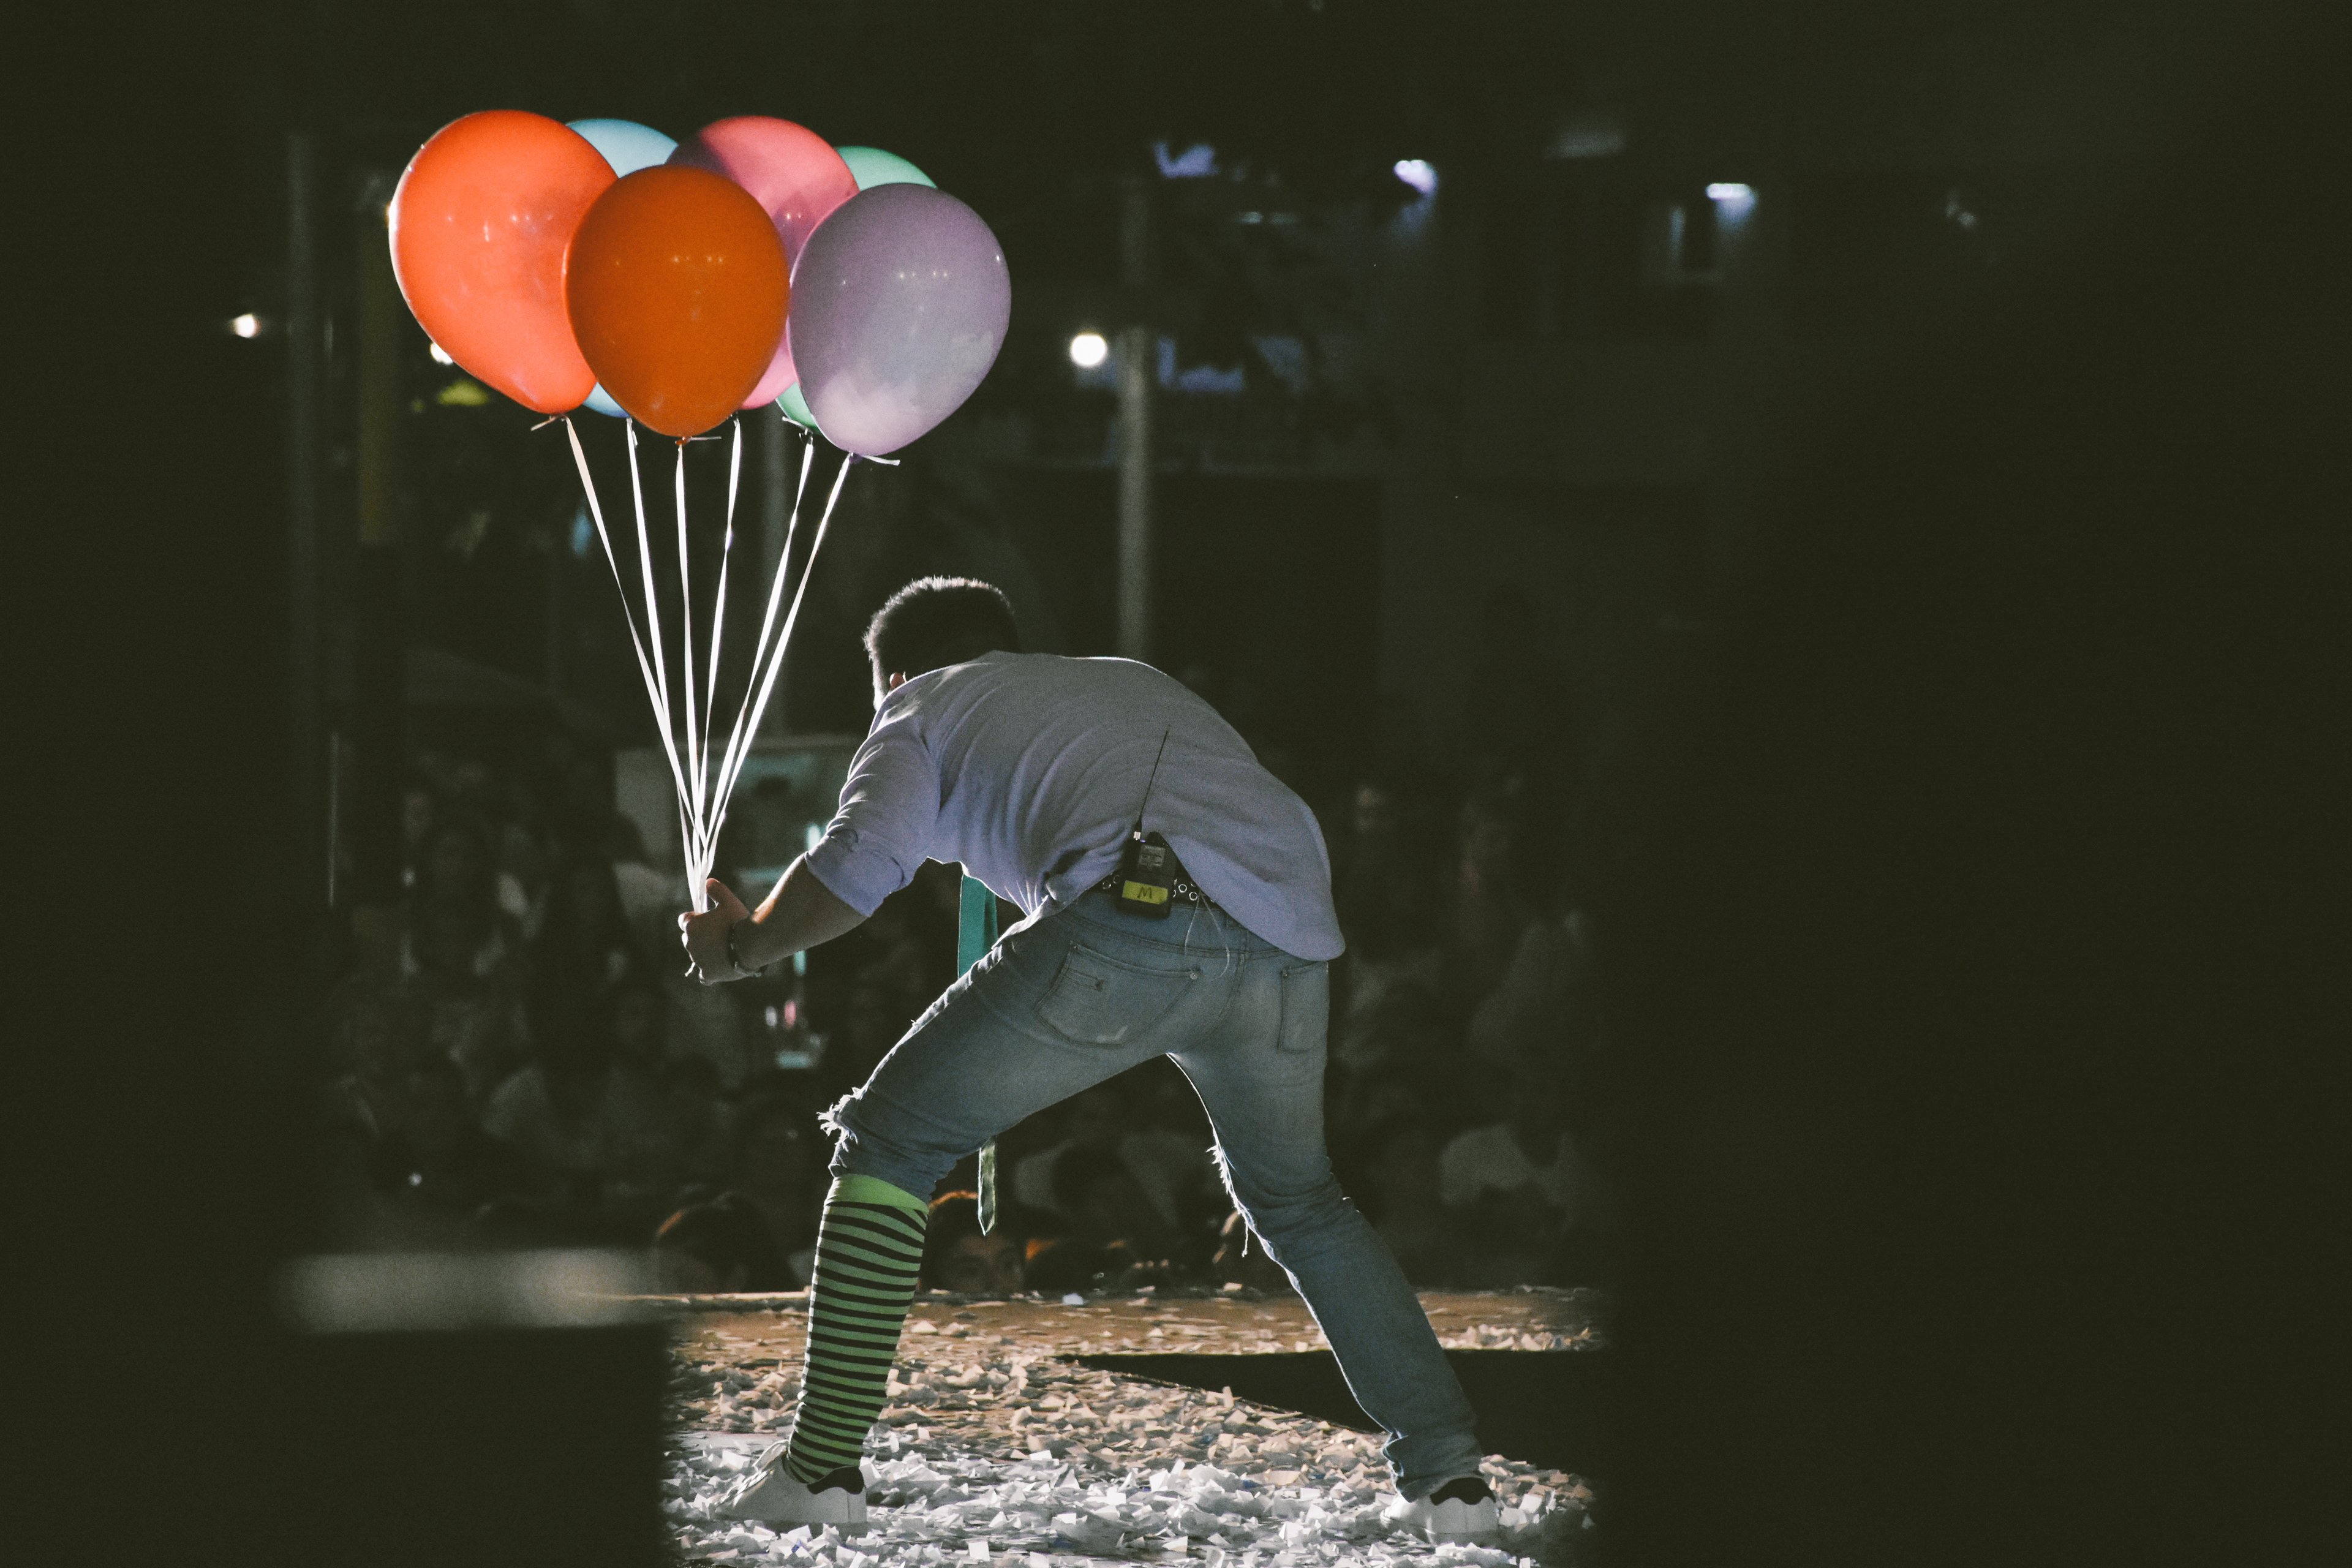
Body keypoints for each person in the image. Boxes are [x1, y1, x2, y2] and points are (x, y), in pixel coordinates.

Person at [680, 577, 1502, 1542]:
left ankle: (819, 1470)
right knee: (1301, 1200)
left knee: (887, 1140)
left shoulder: (919, 704)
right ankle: (1451, 1483)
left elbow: (856, 869)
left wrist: (743, 949)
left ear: (896, 676)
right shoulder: (1123, 681)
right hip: (1292, 940)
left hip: (1133, 923)